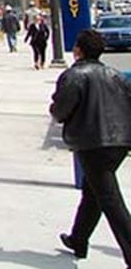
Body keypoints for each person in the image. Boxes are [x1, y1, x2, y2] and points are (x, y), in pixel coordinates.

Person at [50, 28, 131, 264]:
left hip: (94, 144)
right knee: (93, 192)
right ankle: (78, 238)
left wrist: (55, 111)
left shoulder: (74, 75)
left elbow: (61, 110)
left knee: (110, 200)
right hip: (119, 142)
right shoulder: (115, 75)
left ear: (78, 50)